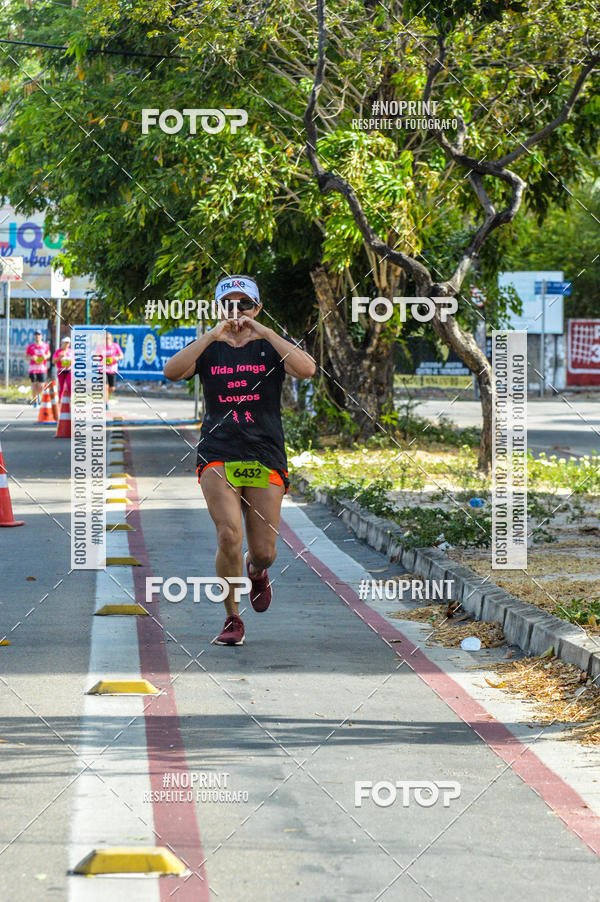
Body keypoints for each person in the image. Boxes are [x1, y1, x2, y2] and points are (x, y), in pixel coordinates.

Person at [163, 275, 315, 646]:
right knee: (229, 534)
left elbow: (307, 369)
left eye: (244, 304)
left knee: (265, 551)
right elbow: (171, 372)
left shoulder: (270, 345)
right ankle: (232, 617)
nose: (237, 312)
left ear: (257, 308)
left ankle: (256, 571)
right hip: (218, 452)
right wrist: (210, 336)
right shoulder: (208, 347)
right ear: (218, 309)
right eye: (228, 305)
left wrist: (265, 332)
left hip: (265, 454)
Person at [25, 329, 51, 407]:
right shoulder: (31, 346)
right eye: (36, 335)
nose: (37, 336)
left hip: (42, 368)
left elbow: (49, 354)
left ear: (41, 336)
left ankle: (37, 395)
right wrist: (32, 357)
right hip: (33, 368)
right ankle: (35, 402)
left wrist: (45, 356)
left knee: (41, 386)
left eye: (39, 335)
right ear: (34, 336)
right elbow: (26, 357)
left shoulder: (45, 345)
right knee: (34, 385)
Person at [98, 332, 124, 409]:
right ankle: (106, 404)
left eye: (108, 338)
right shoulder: (100, 347)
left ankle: (105, 396)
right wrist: (102, 359)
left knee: (112, 388)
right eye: (105, 338)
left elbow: (121, 355)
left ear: (111, 339)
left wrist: (117, 358)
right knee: (105, 387)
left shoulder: (115, 346)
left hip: (112, 369)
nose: (107, 340)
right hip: (102, 369)